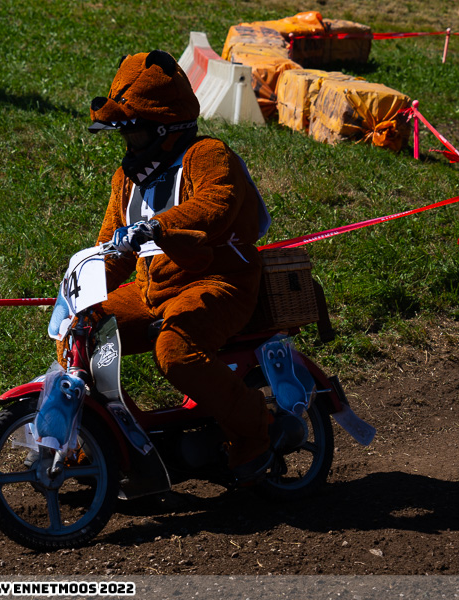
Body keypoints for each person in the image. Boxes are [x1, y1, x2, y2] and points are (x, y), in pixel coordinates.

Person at [58, 50, 274, 483]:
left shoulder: (207, 154)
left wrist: (157, 226)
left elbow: (216, 204)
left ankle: (258, 430)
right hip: (150, 291)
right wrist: (84, 289)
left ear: (164, 130)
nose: (128, 146)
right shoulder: (127, 178)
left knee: (175, 352)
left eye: (134, 135)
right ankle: (95, 443)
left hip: (219, 282)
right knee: (80, 331)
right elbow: (111, 246)